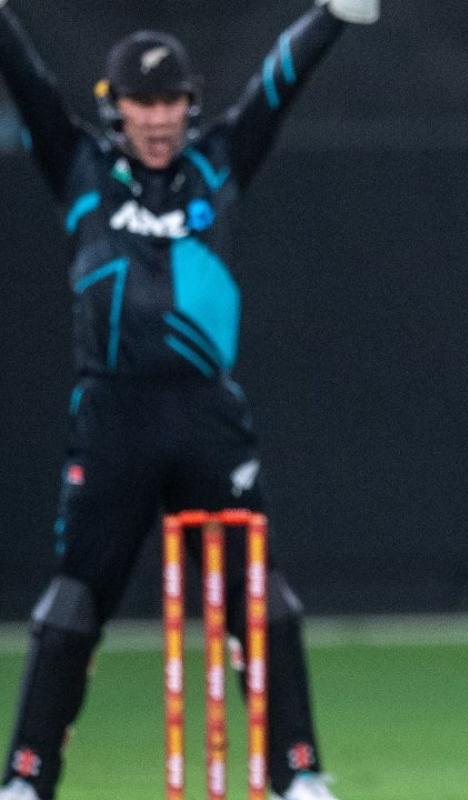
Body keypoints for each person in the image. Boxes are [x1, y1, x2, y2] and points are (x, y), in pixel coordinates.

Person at [0, 2, 379, 799]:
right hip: (113, 418)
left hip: (209, 417)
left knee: (261, 599)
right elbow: (26, 80)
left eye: (171, 101)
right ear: (117, 109)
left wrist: (333, 16)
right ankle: (26, 780)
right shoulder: (80, 169)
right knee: (72, 605)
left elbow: (277, 84)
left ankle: (297, 775)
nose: (159, 118)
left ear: (188, 106)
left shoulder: (217, 165)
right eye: (144, 103)